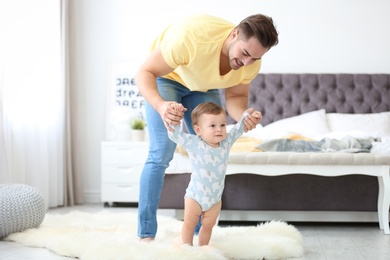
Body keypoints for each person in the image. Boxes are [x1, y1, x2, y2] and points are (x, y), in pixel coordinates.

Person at [135, 13, 279, 241]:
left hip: (203, 86)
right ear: (234, 35)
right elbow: (145, 72)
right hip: (167, 77)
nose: (247, 63)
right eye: (245, 54)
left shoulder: (251, 62)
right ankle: (146, 234)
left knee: (211, 147)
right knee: (161, 151)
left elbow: (237, 96)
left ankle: (196, 233)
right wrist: (161, 106)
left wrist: (244, 116)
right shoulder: (190, 39)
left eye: (255, 58)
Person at [167, 102, 255, 246]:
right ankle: (187, 249)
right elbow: (174, 134)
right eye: (212, 126)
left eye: (222, 125)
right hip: (195, 196)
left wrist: (247, 116)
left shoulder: (226, 142)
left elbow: (239, 129)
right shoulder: (194, 142)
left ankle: (203, 250)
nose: (219, 129)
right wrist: (175, 118)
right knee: (189, 224)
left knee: (208, 226)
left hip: (214, 199)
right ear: (198, 130)